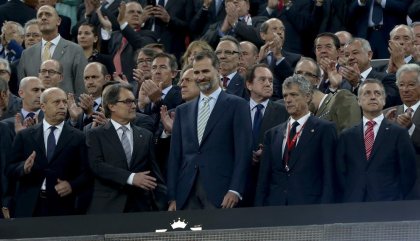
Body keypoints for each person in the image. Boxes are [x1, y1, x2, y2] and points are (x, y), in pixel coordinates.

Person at [167, 50, 252, 210]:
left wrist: (235, 189)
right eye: (197, 72)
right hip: (186, 193)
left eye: (205, 71)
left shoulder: (238, 105)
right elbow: (175, 157)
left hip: (222, 192)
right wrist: (172, 196)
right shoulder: (182, 111)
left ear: (218, 70)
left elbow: (243, 152)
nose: (200, 77)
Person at [6, 87, 90, 217]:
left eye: (64, 102)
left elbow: (87, 173)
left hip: (64, 206)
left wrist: (71, 185)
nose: (62, 106)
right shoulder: (25, 136)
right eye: (57, 102)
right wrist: (24, 168)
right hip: (29, 205)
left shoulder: (78, 137)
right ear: (43, 106)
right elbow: (9, 168)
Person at [255, 74, 337, 206]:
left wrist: (325, 211)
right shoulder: (272, 134)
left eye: (294, 95)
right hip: (276, 207)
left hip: (309, 207)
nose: (288, 100)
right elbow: (264, 180)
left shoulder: (325, 130)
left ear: (308, 96)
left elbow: (330, 176)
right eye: (285, 95)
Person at [86, 83, 165, 213]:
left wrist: (166, 200)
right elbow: (96, 165)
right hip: (108, 208)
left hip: (140, 208)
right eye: (128, 102)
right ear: (112, 106)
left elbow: (155, 172)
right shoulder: (95, 134)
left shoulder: (145, 135)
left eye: (133, 101)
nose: (134, 106)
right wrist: (131, 177)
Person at [336, 79, 416, 202]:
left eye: (377, 93)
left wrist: (398, 198)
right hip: (353, 203)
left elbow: (408, 172)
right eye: (367, 93)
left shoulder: (399, 133)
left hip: (389, 202)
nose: (373, 97)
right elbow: (340, 173)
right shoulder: (347, 136)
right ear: (358, 101)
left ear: (384, 100)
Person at [243, 63, 289, 206]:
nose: (268, 84)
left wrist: (268, 152)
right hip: (241, 182)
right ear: (249, 85)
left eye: (270, 80)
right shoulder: (236, 109)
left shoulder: (284, 111)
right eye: (262, 80)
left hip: (269, 182)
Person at [18, 5, 87, 97]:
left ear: (58, 21)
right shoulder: (26, 54)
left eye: (48, 14)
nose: (43, 17)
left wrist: (78, 110)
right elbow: (23, 90)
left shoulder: (75, 50)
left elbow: (82, 87)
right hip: (36, 110)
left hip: (66, 109)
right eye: (40, 15)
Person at [295, 57, 361, 133]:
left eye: (308, 74)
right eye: (298, 73)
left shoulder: (342, 98)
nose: (301, 77)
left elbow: (351, 138)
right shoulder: (303, 113)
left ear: (317, 81)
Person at [384, 64, 420, 199]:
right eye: (401, 85)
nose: (405, 90)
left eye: (411, 85)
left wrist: (411, 128)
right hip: (392, 186)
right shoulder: (386, 114)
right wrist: (386, 130)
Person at [68, 62, 111, 130]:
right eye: (86, 78)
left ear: (107, 79)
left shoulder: (113, 105)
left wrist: (90, 114)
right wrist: (73, 120)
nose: (90, 82)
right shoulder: (78, 106)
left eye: (94, 77)